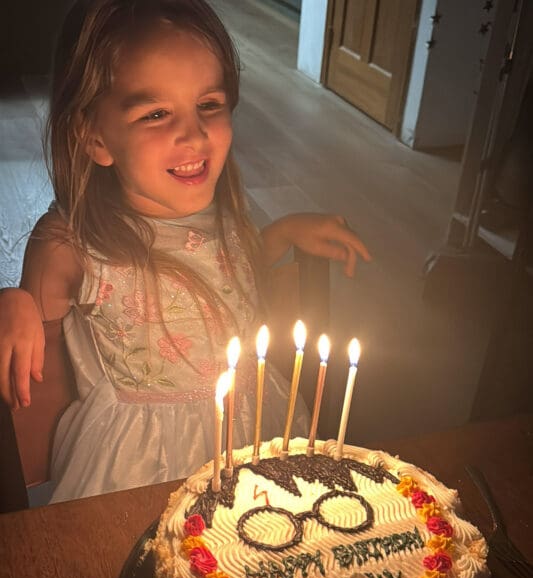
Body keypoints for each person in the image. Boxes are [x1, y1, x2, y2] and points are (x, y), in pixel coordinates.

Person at [0, 0, 369, 502]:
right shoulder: (72, 244)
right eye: (156, 113)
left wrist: (279, 236)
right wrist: (14, 302)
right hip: (139, 468)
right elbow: (34, 332)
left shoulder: (225, 212)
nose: (193, 134)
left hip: (252, 434)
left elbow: (226, 281)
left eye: (209, 105)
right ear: (95, 138)